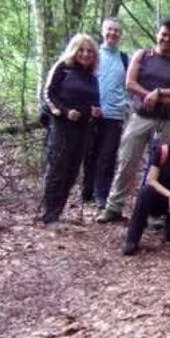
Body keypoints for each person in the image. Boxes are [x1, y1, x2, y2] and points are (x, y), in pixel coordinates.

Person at [98, 18, 170, 223]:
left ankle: (154, 211)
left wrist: (158, 93)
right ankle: (113, 207)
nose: (167, 39)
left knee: (161, 167)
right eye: (164, 34)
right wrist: (148, 95)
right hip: (140, 117)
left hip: (167, 120)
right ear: (157, 33)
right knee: (127, 160)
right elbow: (130, 83)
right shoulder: (143, 55)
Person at [41, 33, 101, 226]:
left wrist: (95, 110)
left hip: (84, 128)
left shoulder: (91, 76)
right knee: (57, 168)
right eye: (82, 50)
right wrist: (65, 112)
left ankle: (58, 211)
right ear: (74, 50)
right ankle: (50, 214)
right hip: (62, 127)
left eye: (90, 51)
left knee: (73, 170)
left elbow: (94, 101)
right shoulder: (62, 69)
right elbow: (48, 95)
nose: (85, 54)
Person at [121, 117, 170, 255]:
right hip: (160, 197)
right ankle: (132, 239)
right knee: (145, 192)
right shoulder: (162, 151)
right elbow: (151, 180)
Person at [81, 17, 129, 210]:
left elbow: (130, 85)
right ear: (103, 31)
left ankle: (102, 194)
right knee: (90, 154)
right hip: (91, 113)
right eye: (109, 30)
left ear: (120, 34)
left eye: (116, 31)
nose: (113, 34)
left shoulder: (125, 59)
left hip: (114, 114)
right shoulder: (92, 55)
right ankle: (88, 192)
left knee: (107, 156)